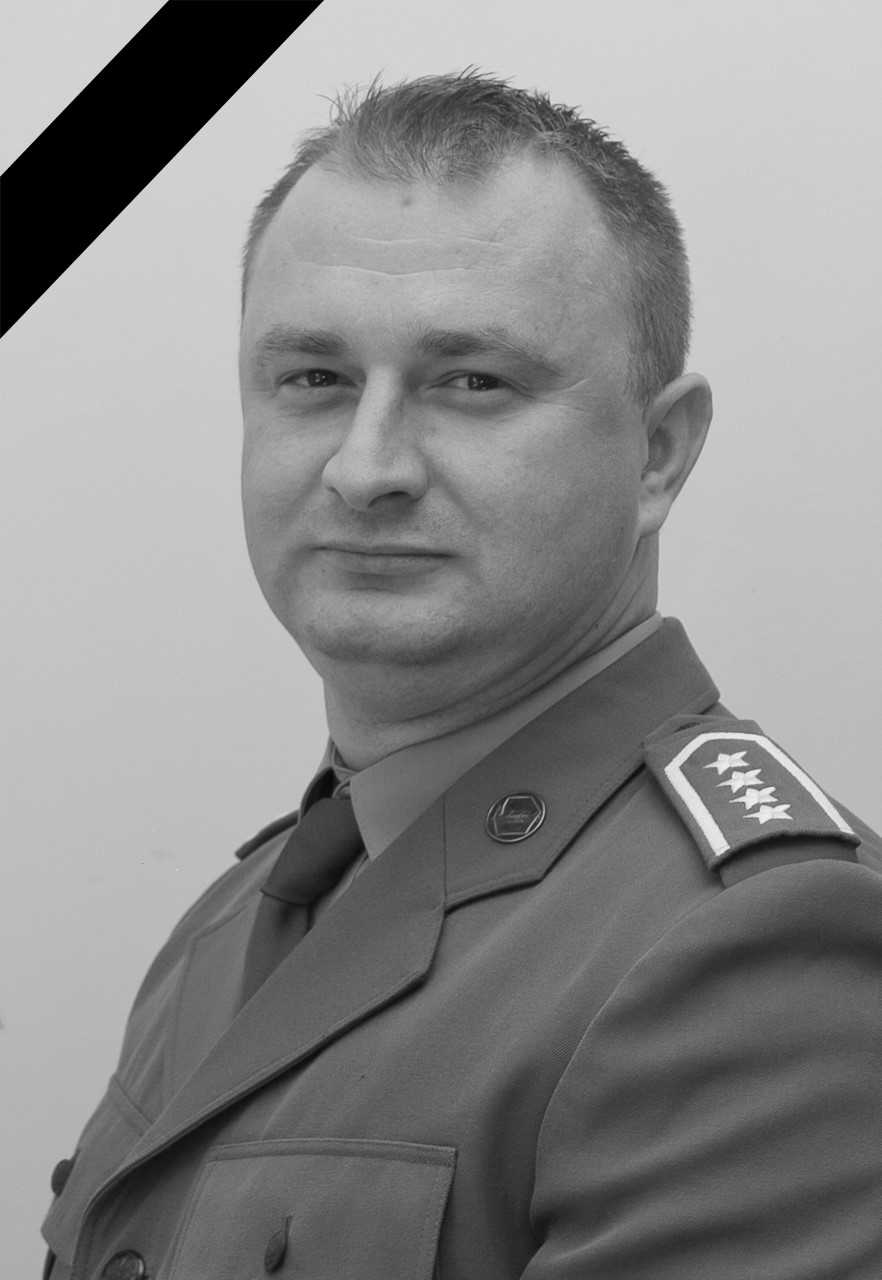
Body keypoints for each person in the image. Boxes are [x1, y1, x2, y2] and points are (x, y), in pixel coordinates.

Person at [42, 71, 882, 1280]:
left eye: (471, 381)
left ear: (658, 452)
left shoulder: (757, 955)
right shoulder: (233, 920)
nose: (365, 467)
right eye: (314, 379)